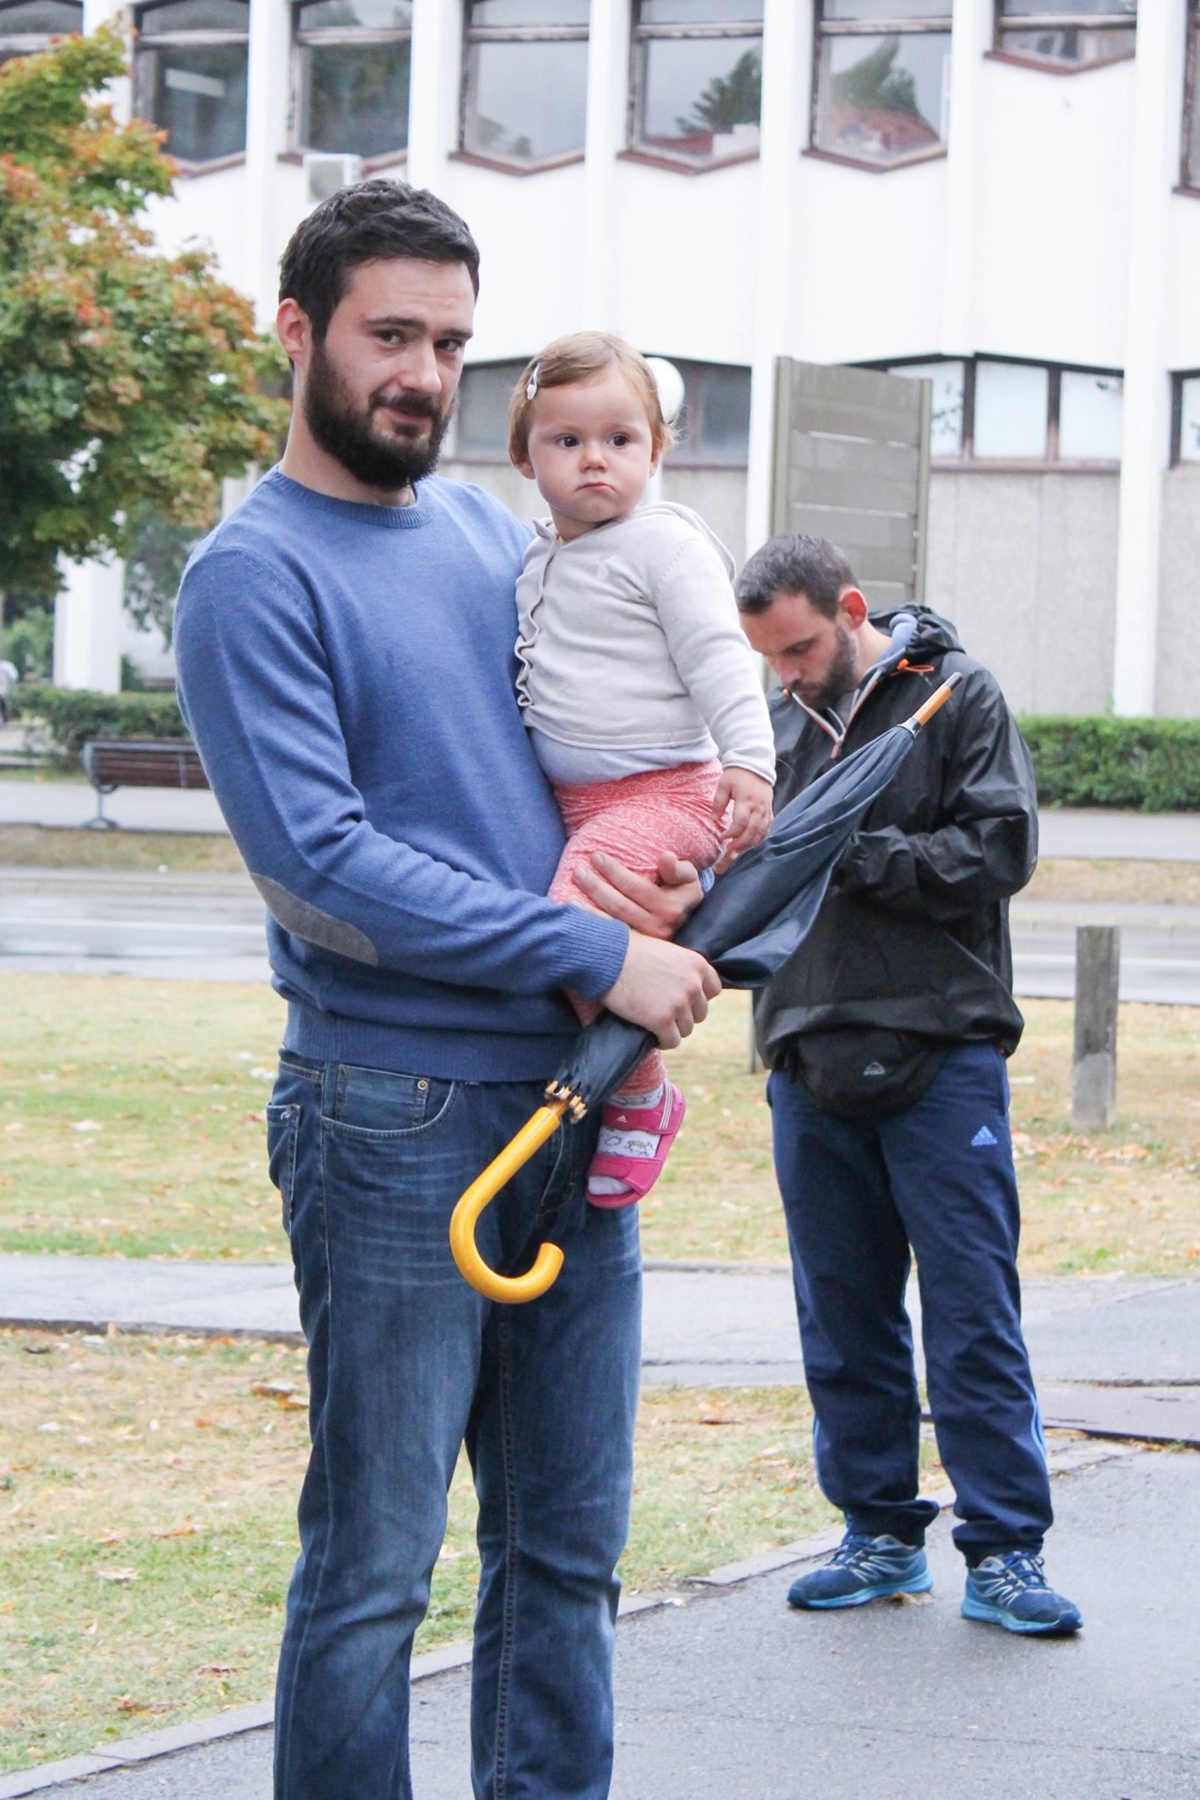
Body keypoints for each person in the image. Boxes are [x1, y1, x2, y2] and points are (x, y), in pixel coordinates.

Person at [173, 179, 720, 1800]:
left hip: (574, 1103)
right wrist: (594, 950)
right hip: (394, 1114)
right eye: (391, 335)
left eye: (453, 345)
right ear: (299, 332)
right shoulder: (251, 574)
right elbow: (322, 868)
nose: (423, 375)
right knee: (377, 1567)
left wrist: (662, 868)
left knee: (566, 1551)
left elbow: (589, 763)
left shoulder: (498, 536)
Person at [734, 533, 1082, 1639]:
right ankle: (878, 1533)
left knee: (972, 1313)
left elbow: (1002, 850)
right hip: (807, 1052)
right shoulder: (777, 723)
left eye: (798, 649)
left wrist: (851, 854)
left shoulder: (958, 697)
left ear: (850, 610)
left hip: (944, 1051)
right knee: (842, 1318)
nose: (787, 674)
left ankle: (1007, 1552)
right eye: (769, 659)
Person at [508, 331, 775, 1205]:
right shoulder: (538, 557)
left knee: (571, 926)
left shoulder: (664, 545)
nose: (596, 459)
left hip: (665, 791)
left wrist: (751, 762)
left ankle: (642, 1092)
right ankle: (623, 1084)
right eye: (568, 440)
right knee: (576, 934)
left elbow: (720, 657)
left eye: (620, 439)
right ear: (525, 457)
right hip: (582, 802)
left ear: (655, 452)